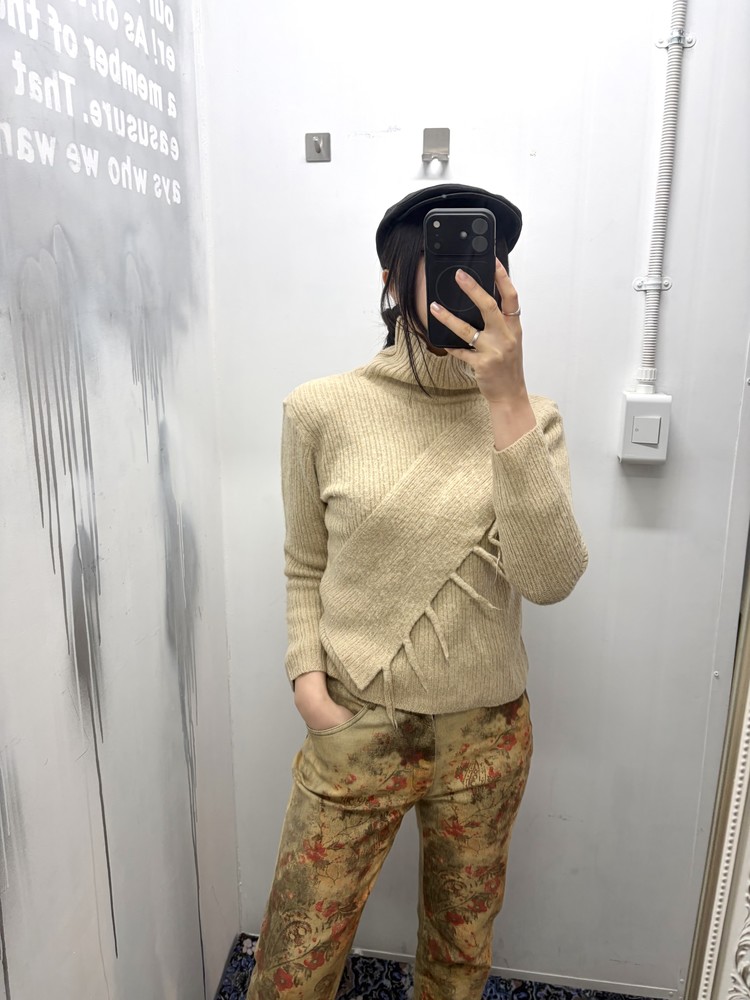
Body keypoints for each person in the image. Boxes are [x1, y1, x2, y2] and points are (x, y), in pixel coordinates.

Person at [246, 183, 588, 1000]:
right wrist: (309, 689)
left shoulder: (532, 419)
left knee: (459, 959)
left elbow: (549, 582)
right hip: (356, 722)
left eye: (488, 262)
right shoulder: (320, 410)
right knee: (292, 967)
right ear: (395, 279)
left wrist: (506, 396)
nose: (470, 279)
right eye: (445, 257)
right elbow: (304, 563)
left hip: (487, 736)